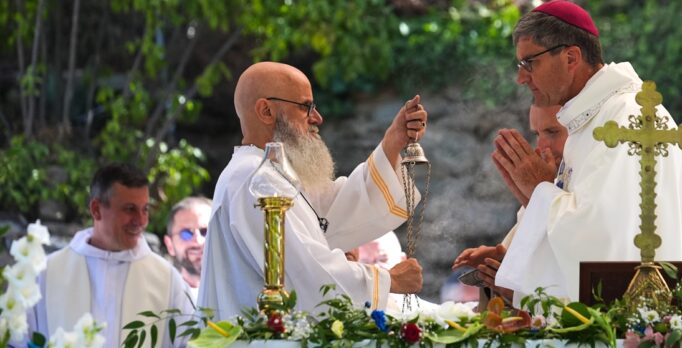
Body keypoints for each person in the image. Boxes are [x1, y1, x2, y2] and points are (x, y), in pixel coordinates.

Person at [491, 0, 682, 305]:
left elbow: (600, 238)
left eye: (529, 63)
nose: (521, 78)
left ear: (571, 57)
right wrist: (534, 200)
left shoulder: (626, 116)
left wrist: (540, 189)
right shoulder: (591, 120)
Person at [198, 62, 427, 318]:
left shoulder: (273, 174)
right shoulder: (253, 179)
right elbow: (303, 271)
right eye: (305, 107)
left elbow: (337, 209)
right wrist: (387, 280)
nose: (317, 118)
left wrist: (392, 141)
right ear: (266, 111)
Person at [27, 164, 193, 347]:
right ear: (96, 209)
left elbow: (190, 342)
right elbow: (18, 340)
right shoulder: (47, 274)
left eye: (145, 209)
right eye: (130, 209)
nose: (141, 221)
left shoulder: (167, 280)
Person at [452, 104, 564, 302]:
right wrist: (500, 256)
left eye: (553, 132)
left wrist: (516, 292)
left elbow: (575, 255)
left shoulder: (589, 182)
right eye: (537, 134)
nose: (542, 146)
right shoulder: (555, 182)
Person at [163, 196, 212, 300]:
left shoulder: (244, 289)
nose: (198, 241)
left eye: (206, 231)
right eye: (186, 234)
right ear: (170, 245)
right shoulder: (162, 299)